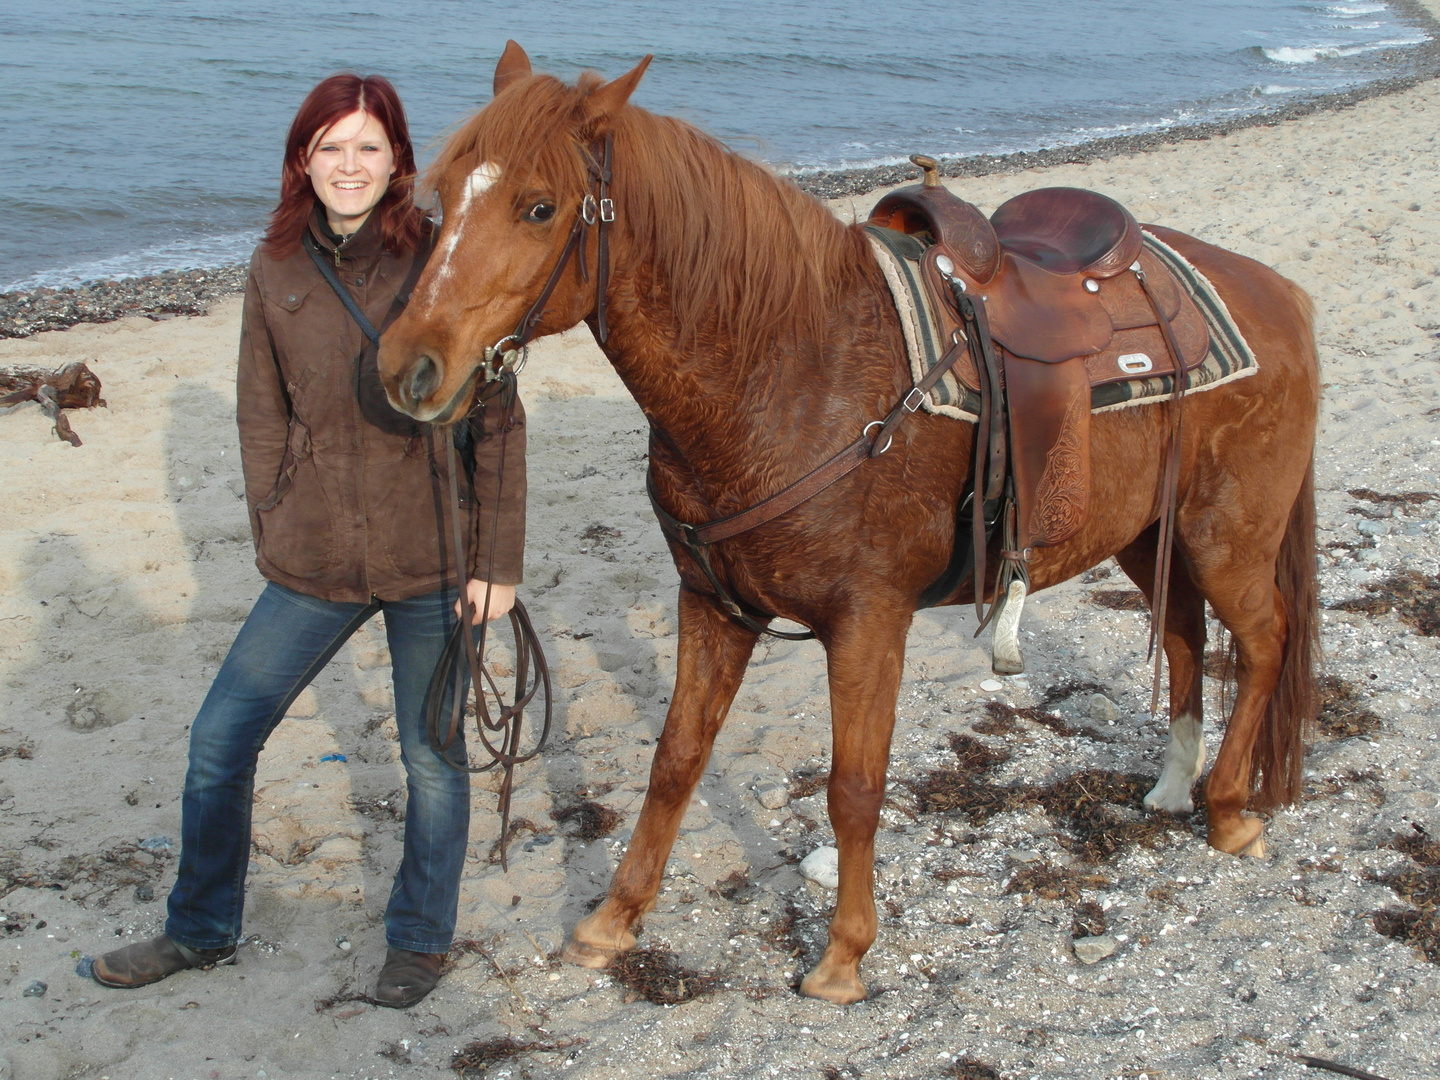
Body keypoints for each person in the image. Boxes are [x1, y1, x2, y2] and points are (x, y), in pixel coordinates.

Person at [87, 73, 526, 1008]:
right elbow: (261, 409)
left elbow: (500, 422)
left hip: (431, 559)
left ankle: (418, 939)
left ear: (400, 159)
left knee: (433, 761)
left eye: (369, 146)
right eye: (332, 146)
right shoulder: (274, 265)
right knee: (219, 740)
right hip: (314, 558)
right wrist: (274, 512)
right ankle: (201, 929)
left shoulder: (444, 258)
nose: (351, 165)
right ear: (304, 159)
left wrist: (499, 566)